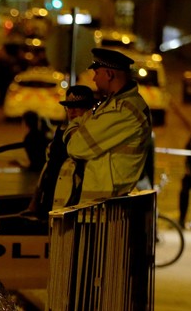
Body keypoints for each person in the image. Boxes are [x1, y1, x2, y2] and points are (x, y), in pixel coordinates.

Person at [62, 48, 153, 202]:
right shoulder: (111, 104)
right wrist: (77, 128)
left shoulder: (124, 111)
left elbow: (76, 147)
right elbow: (79, 122)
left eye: (97, 73)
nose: (94, 80)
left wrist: (75, 130)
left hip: (105, 207)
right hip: (99, 203)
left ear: (109, 74)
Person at [21, 85, 98, 219]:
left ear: (89, 109)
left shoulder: (91, 135)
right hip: (52, 204)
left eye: (77, 107)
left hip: (73, 207)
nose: (72, 111)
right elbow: (48, 167)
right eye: (69, 107)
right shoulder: (61, 132)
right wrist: (35, 202)